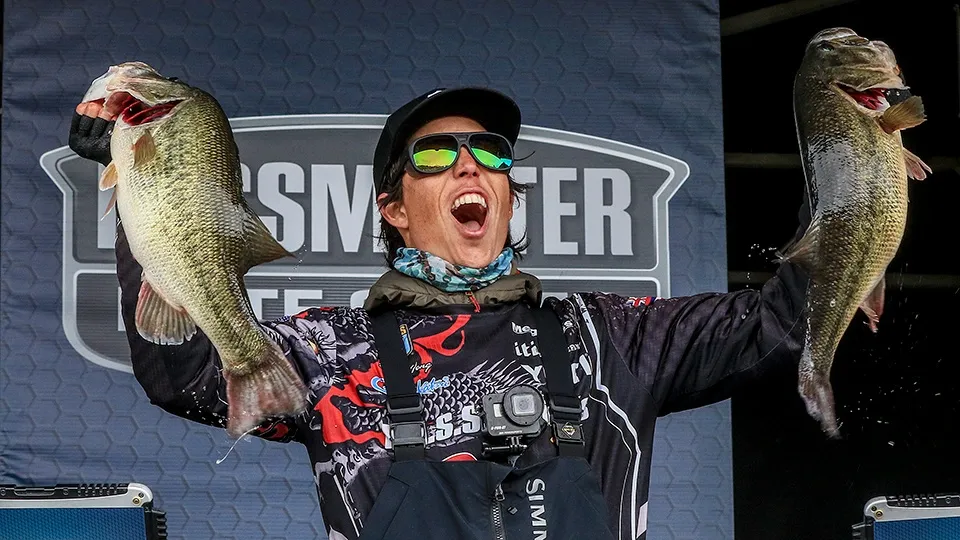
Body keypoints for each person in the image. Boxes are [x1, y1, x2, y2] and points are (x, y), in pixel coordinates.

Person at [69, 85, 809, 540]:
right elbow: (184, 371)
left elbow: (782, 321)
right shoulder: (330, 349)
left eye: (490, 153)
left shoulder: (609, 333)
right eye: (434, 155)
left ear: (511, 195)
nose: (468, 166)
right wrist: (143, 194)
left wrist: (847, 173)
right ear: (392, 208)